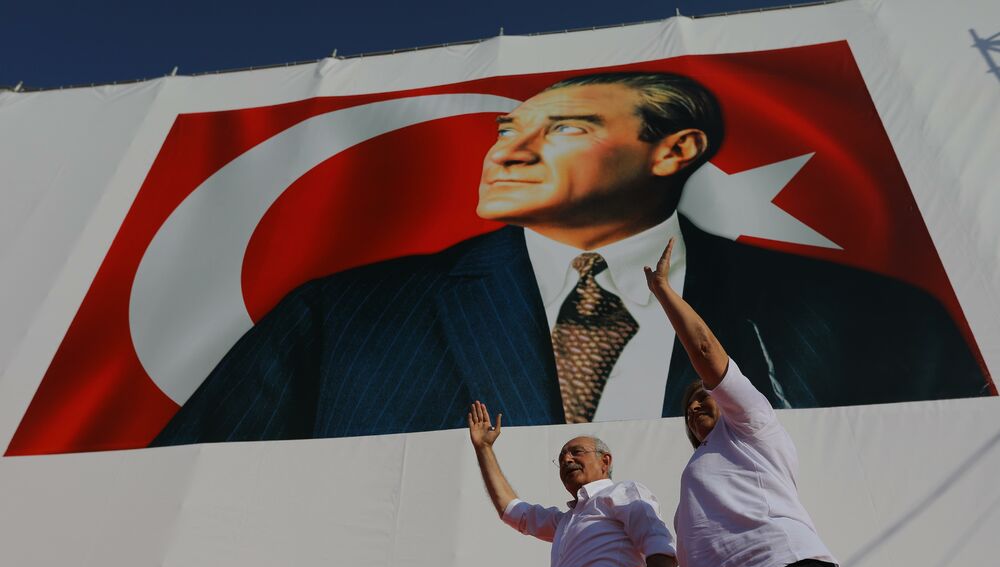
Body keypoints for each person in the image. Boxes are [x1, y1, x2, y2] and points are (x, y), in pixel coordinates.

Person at [151, 71, 988, 447]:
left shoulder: (874, 320)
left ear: (675, 150)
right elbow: (173, 500)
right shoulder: (342, 317)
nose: (508, 152)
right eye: (505, 129)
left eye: (564, 130)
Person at [645, 239, 842, 567]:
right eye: (687, 408)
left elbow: (704, 350)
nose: (693, 407)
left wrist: (663, 291)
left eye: (703, 397)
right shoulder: (703, 470)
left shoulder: (749, 423)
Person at [467, 400, 676, 567]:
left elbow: (661, 555)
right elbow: (512, 511)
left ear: (605, 461)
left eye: (577, 452)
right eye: (562, 458)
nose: (566, 460)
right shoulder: (565, 521)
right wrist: (484, 449)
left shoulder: (622, 493)